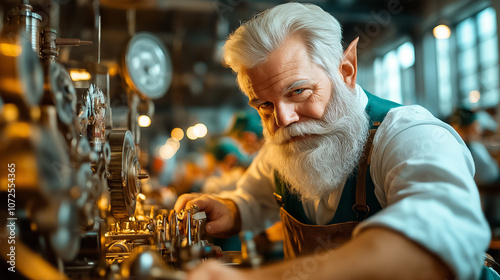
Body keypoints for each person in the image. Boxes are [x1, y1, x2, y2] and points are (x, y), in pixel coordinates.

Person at [175, 3, 491, 280]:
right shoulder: (284, 149)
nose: (283, 120)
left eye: (298, 91)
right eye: (265, 105)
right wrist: (229, 210)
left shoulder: (410, 134)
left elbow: (435, 243)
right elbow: (252, 201)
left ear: (345, 70)